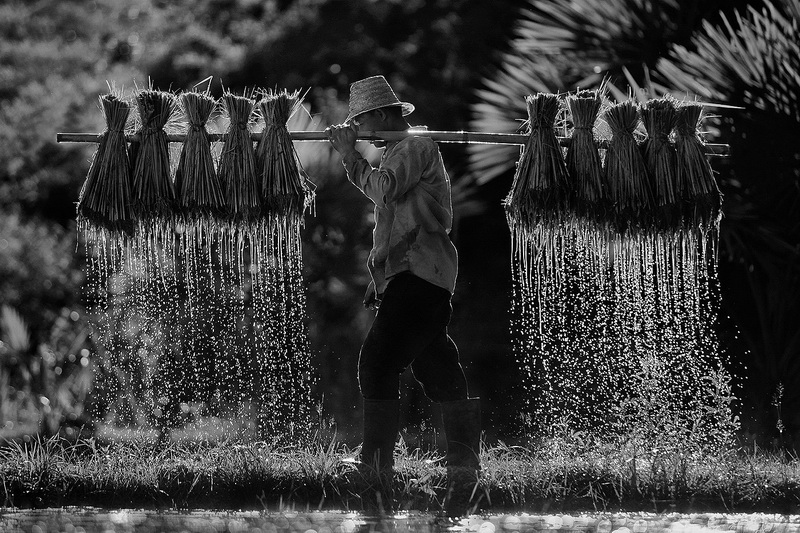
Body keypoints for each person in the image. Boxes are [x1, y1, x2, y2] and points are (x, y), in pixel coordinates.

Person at [325, 75, 481, 514]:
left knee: (376, 361)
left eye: (363, 121)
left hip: (420, 274)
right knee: (437, 365)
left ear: (381, 116)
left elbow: (385, 189)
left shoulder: (414, 146)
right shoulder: (398, 151)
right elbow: (390, 226)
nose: (363, 131)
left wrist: (348, 155)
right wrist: (381, 283)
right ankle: (465, 469)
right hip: (414, 276)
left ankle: (376, 467)